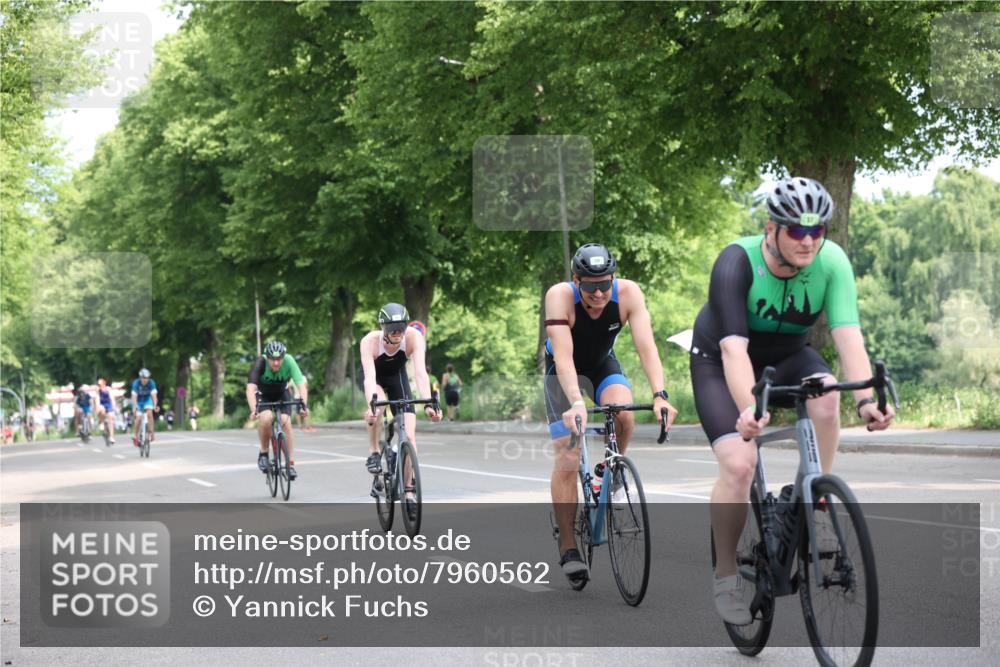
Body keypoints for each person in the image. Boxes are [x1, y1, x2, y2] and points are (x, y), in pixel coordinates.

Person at [690, 177, 896, 625]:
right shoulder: (735, 262)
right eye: (797, 231)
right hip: (721, 359)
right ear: (772, 228)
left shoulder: (833, 261)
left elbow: (848, 337)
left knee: (826, 397)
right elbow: (733, 350)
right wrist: (751, 408)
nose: (808, 241)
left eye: (817, 231)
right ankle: (726, 574)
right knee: (740, 465)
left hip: (787, 355)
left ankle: (813, 495)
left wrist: (865, 400)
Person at [544, 243, 678, 585]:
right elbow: (563, 357)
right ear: (576, 281)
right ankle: (569, 545)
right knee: (569, 454)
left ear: (614, 278)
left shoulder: (629, 294)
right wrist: (576, 402)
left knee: (624, 414)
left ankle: (610, 468)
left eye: (605, 283)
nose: (600, 292)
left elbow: (646, 346)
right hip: (564, 371)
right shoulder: (559, 296)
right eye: (590, 286)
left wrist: (660, 395)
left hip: (603, 364)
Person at [359, 304, 442, 517]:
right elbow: (369, 379)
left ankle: (409, 492)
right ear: (383, 327)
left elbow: (421, 374)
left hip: (397, 378)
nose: (397, 334)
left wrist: (429, 405)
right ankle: (374, 452)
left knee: (410, 436)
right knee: (377, 409)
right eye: (392, 329)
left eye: (400, 328)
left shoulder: (414, 337)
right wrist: (371, 405)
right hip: (375, 379)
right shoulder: (369, 342)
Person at [246, 341, 309, 480]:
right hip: (263, 395)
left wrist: (304, 406)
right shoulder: (260, 363)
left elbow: (301, 385)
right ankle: (263, 452)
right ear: (267, 357)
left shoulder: (289, 361)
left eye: (279, 359)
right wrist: (253, 410)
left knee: (285, 422)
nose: (276, 363)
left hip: (282, 393)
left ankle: (290, 464)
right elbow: (250, 389)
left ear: (283, 357)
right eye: (273, 360)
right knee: (266, 418)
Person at [131, 369, 159, 446]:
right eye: (143, 378)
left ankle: (151, 432)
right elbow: (134, 397)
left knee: (149, 413)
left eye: (146, 378)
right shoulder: (136, 383)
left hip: (147, 400)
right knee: (138, 418)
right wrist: (135, 407)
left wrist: (155, 405)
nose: (144, 380)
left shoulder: (151, 383)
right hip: (139, 401)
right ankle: (136, 436)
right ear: (140, 378)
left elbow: (154, 396)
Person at [95, 377, 116, 444]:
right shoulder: (98, 391)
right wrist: (97, 407)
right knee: (102, 409)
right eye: (98, 385)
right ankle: (101, 422)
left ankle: (111, 437)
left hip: (109, 404)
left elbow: (112, 398)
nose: (99, 386)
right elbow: (97, 400)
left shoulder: (108, 389)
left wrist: (113, 407)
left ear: (104, 384)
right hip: (102, 405)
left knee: (110, 419)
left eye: (100, 384)